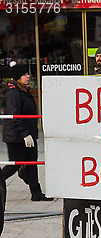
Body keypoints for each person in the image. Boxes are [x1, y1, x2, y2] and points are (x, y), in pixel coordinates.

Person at [1, 65, 53, 201]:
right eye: (25, 74)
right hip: (17, 137)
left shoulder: (23, 90)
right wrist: (24, 133)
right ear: (18, 77)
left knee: (31, 163)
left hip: (27, 134)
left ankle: (36, 192)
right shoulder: (13, 93)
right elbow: (15, 115)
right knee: (16, 164)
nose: (28, 76)